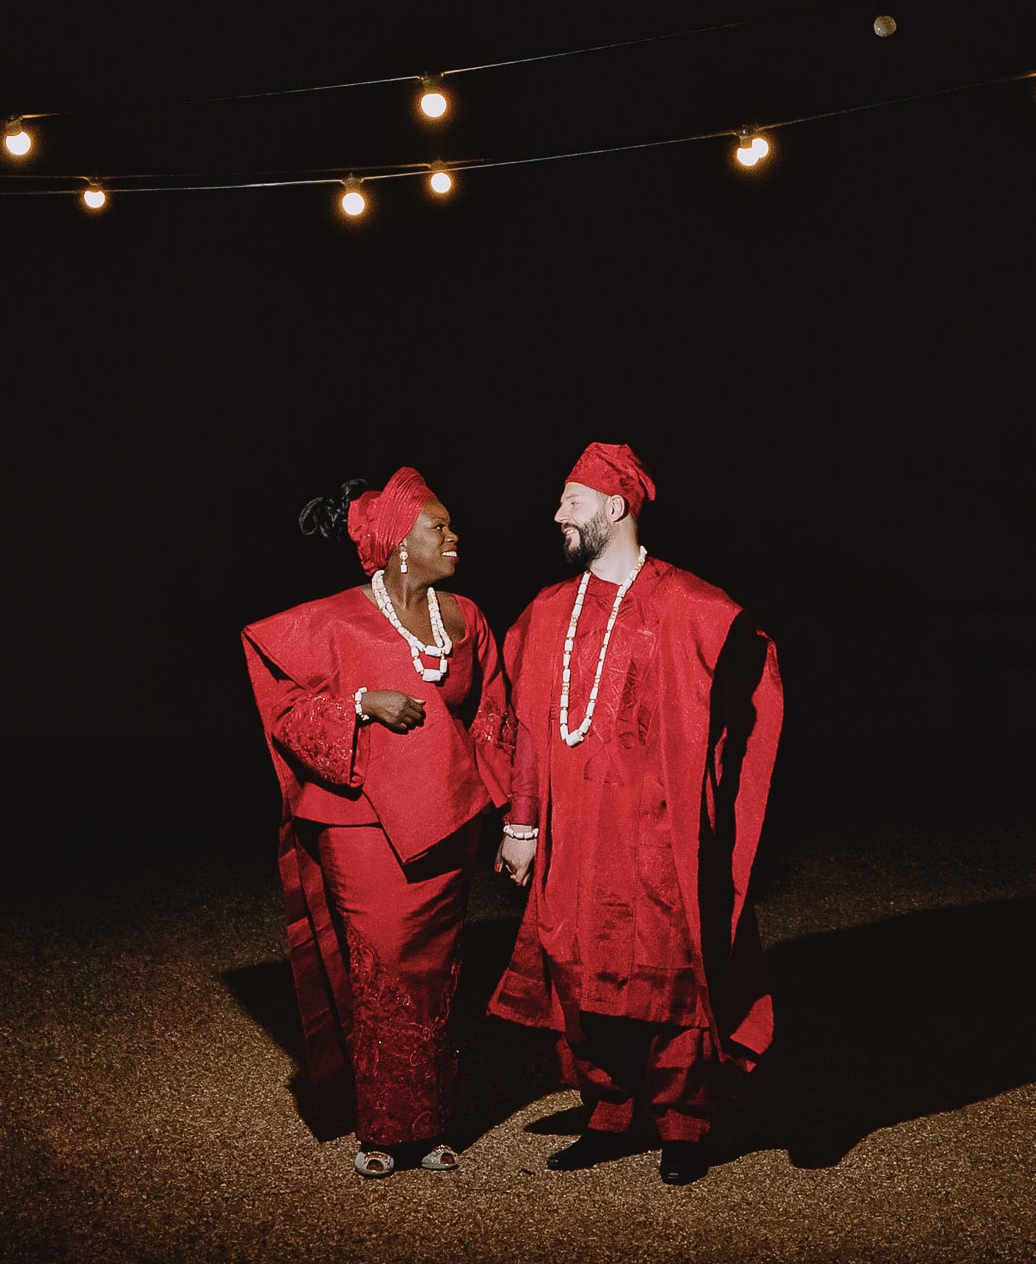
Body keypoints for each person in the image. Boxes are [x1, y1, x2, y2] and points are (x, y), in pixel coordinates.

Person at [490, 442, 783, 1185]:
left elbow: (746, 695)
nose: (557, 514)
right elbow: (528, 726)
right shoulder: (548, 611)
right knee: (578, 969)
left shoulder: (690, 603)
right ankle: (608, 1113)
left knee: (667, 973)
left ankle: (683, 1126)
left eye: (571, 501)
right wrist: (520, 826)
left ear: (614, 508)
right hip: (571, 836)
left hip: (655, 835)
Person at [242, 466, 513, 1178]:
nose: (454, 536)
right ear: (396, 542)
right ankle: (380, 1129)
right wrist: (361, 702)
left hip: (447, 821)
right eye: (438, 526)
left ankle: (429, 1126)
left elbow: (492, 713)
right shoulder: (332, 619)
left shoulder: (467, 616)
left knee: (435, 971)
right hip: (362, 826)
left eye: (451, 525)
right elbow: (287, 712)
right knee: (382, 970)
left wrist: (499, 804)